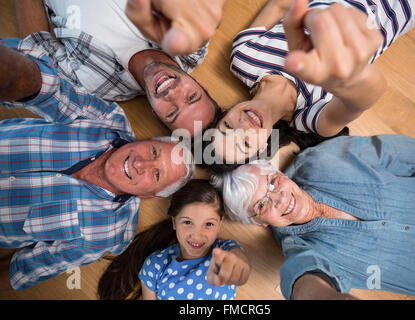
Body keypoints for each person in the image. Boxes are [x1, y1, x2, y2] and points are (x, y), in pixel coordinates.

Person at [0, 36, 195, 291]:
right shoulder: (107, 118)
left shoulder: (107, 234)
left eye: (156, 174)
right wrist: (19, 75)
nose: (142, 163)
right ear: (145, 140)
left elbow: (24, 269)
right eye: (154, 151)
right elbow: (50, 90)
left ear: (152, 195)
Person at [211, 134, 415, 299]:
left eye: (272, 183)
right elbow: (305, 277)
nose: (279, 198)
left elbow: (388, 152)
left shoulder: (320, 160)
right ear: (260, 222)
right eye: (262, 205)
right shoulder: (300, 249)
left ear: (279, 173)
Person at [209, 0, 415, 164]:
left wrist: (313, 13)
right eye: (244, 144)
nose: (242, 128)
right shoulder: (310, 120)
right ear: (262, 148)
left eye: (227, 128)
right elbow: (366, 96)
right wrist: (340, 79)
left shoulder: (243, 59)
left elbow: (280, 4)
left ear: (225, 113)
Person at [14, 0, 225, 136]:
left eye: (171, 113)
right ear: (199, 83)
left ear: (154, 113)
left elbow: (35, 41)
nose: (172, 94)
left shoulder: (91, 84)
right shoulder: (191, 43)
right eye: (191, 97)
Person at [97, 179, 250, 300]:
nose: (197, 235)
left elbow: (240, 262)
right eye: (188, 222)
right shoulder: (155, 265)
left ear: (220, 223)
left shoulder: (226, 250)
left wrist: (236, 266)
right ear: (174, 222)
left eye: (209, 224)